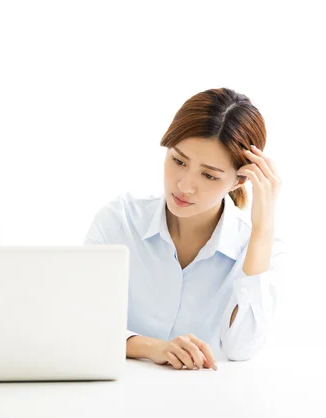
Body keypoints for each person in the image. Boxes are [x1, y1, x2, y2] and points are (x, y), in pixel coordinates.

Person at [85, 88, 284, 370]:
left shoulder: (258, 249)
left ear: (239, 181)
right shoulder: (119, 222)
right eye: (178, 161)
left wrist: (263, 228)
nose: (184, 186)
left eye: (209, 175)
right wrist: (154, 348)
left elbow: (242, 348)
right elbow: (84, 325)